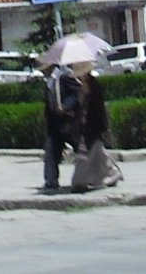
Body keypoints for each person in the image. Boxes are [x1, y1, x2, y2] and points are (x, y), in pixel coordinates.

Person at [68, 61, 122, 193]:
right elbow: (78, 108)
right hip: (86, 129)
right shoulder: (82, 87)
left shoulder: (94, 86)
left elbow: (98, 110)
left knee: (89, 157)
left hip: (93, 128)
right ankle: (112, 173)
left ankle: (84, 181)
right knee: (98, 155)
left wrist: (87, 94)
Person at [39, 62, 82, 193]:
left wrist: (65, 106)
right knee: (51, 152)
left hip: (69, 123)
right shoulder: (49, 82)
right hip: (55, 125)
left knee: (83, 151)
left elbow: (78, 93)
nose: (42, 71)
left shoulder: (63, 77)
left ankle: (92, 176)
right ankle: (51, 181)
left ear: (50, 67)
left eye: (43, 68)